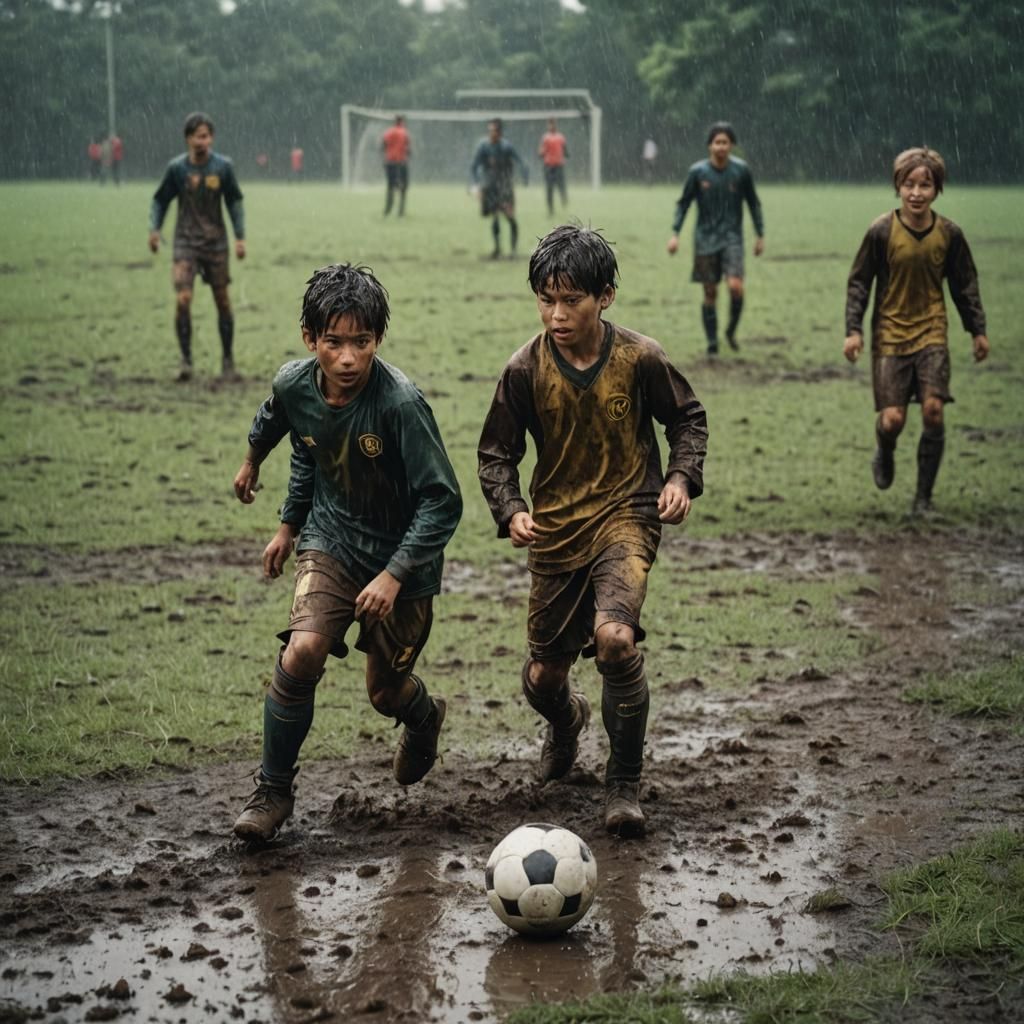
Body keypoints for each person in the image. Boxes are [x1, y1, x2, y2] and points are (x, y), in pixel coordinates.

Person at [478, 225, 708, 837]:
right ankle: (566, 721)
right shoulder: (523, 369)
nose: (557, 314)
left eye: (571, 300)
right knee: (542, 679)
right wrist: (511, 509)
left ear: (604, 297)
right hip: (555, 531)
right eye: (546, 299)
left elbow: (688, 418)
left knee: (615, 640)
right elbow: (496, 453)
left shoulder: (640, 358)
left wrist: (680, 478)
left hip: (628, 515)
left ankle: (623, 784)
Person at [231, 263, 463, 841]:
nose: (348, 358)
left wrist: (393, 574)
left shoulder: (400, 404)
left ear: (378, 338)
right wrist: (273, 500)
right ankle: (272, 792)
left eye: (362, 342)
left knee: (384, 693)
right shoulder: (294, 384)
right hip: (330, 539)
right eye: (333, 342)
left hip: (403, 560)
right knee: (303, 650)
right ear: (310, 338)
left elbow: (443, 501)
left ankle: (423, 716)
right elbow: (286, 427)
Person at [844, 146, 989, 517]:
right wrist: (853, 330)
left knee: (934, 410)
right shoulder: (881, 231)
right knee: (893, 419)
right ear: (898, 186)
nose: (916, 193)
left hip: (932, 331)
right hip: (890, 334)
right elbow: (859, 283)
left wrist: (977, 329)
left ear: (937, 189)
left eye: (925, 185)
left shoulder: (949, 234)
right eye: (909, 184)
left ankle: (923, 500)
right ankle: (885, 447)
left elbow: (965, 285)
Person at [149, 111, 246, 382]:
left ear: (211, 138)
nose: (202, 141)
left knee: (222, 301)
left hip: (216, 243)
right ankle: (186, 361)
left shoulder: (223, 167)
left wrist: (240, 237)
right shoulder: (177, 169)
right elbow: (160, 200)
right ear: (187, 139)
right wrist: (154, 229)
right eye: (197, 136)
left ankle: (228, 361)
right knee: (183, 299)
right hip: (185, 243)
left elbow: (234, 201)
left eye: (206, 136)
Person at [667, 121, 764, 357]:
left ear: (731, 145)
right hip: (705, 240)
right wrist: (675, 233)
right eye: (717, 142)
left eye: (725, 142)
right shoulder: (697, 172)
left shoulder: (741, 171)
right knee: (710, 292)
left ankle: (730, 330)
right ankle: (712, 343)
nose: (721, 146)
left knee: (735, 287)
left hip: (732, 239)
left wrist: (760, 234)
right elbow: (684, 203)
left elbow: (753, 203)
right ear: (709, 145)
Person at [471, 118, 529, 259]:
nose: (491, 133)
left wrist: (524, 178)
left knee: (510, 217)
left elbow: (521, 162)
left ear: (499, 133)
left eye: (494, 131)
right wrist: (477, 185)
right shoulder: (484, 147)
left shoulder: (506, 147)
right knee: (495, 217)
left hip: (505, 187)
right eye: (489, 130)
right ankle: (497, 249)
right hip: (491, 188)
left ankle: (513, 251)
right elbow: (474, 166)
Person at [382, 114, 411, 217]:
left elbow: (383, 145)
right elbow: (408, 148)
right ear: (402, 122)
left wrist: (387, 156)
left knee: (390, 186)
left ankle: (388, 209)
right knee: (403, 186)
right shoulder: (404, 133)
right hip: (401, 162)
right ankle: (401, 210)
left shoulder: (388, 132)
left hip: (389, 162)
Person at [538, 117, 568, 216]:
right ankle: (551, 210)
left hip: (557, 165)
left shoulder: (559, 137)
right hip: (549, 166)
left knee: (560, 186)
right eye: (550, 124)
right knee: (550, 188)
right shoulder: (546, 138)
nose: (551, 126)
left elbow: (565, 151)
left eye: (552, 124)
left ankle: (564, 202)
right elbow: (541, 153)